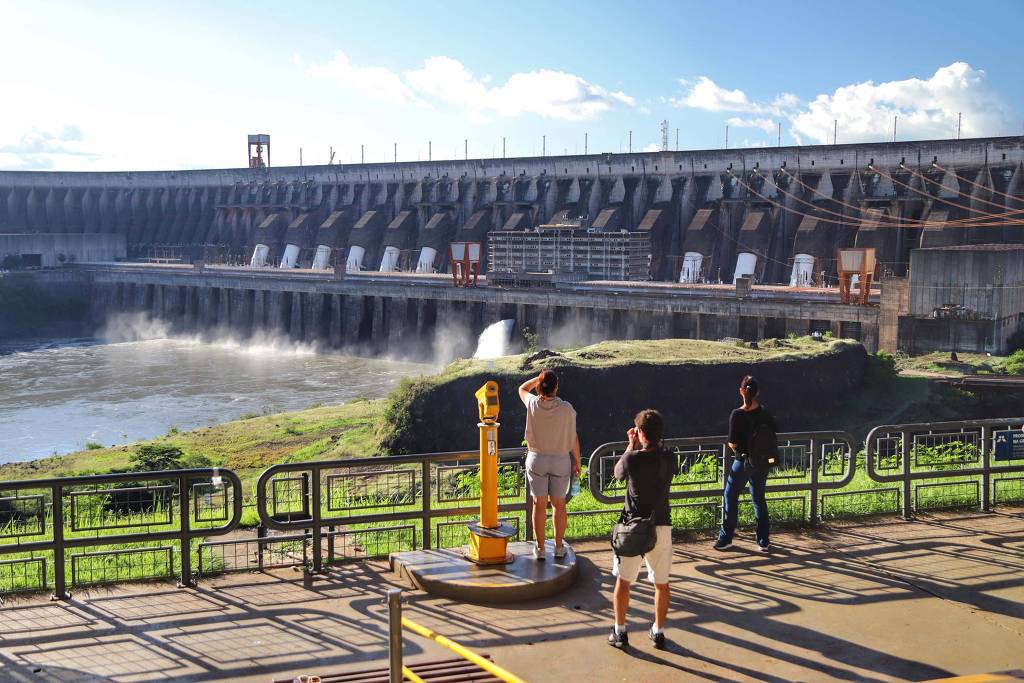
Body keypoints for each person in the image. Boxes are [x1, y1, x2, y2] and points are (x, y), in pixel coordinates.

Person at [608, 409, 678, 650]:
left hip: (633, 529)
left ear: (640, 433)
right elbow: (662, 457)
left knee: (623, 582)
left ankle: (620, 631)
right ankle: (658, 631)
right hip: (661, 526)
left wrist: (630, 445)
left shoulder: (632, 458)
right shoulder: (669, 458)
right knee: (661, 584)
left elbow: (617, 474)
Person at [518, 369, 581, 561]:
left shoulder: (532, 403)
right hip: (561, 460)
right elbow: (573, 438)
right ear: (557, 387)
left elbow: (521, 388)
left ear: (539, 387)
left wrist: (537, 379)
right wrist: (577, 462)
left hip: (537, 459)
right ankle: (559, 547)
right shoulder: (567, 408)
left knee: (538, 503)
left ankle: (540, 548)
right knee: (559, 504)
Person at [714, 375, 776, 552]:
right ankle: (763, 540)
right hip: (762, 462)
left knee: (730, 496)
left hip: (743, 461)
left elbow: (732, 442)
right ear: (758, 393)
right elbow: (772, 433)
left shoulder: (737, 414)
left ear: (741, 391)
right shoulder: (764, 412)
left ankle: (726, 538)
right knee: (758, 498)